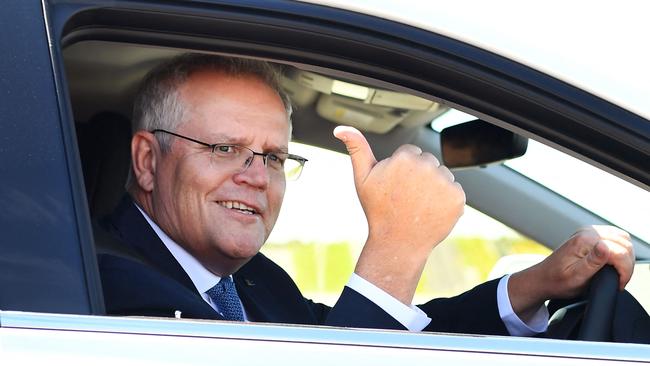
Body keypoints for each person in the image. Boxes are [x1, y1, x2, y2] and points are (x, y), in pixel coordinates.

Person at [97, 53, 634, 336]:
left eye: (274, 157)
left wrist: (538, 284)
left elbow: (381, 334)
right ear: (148, 160)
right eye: (224, 148)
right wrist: (396, 247)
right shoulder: (109, 286)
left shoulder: (250, 280)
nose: (257, 176)